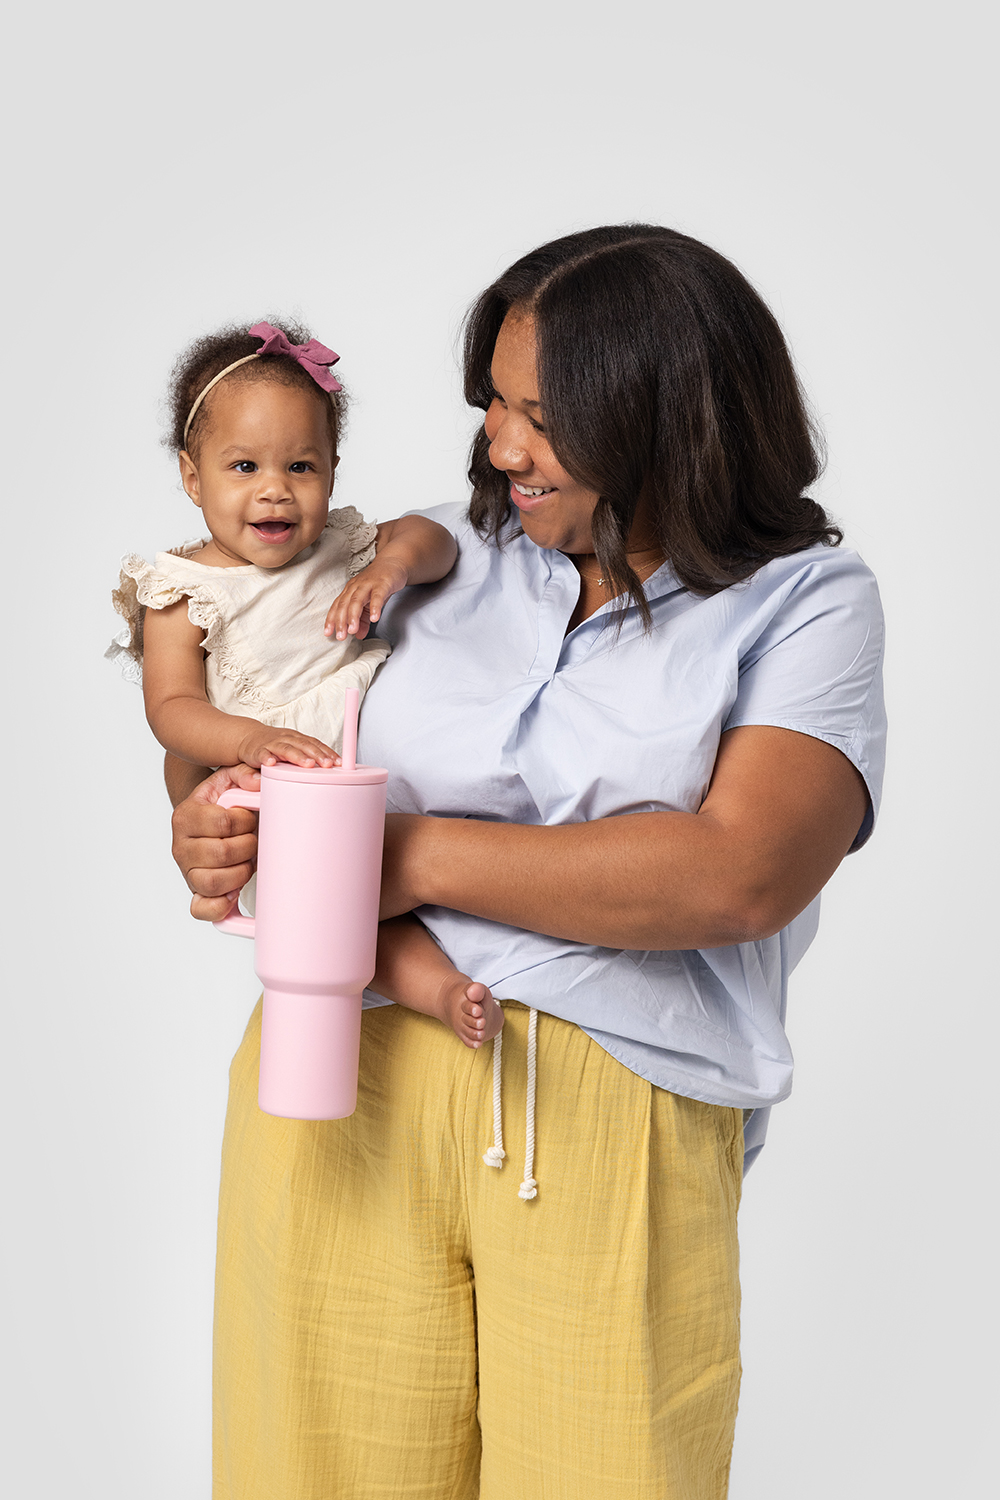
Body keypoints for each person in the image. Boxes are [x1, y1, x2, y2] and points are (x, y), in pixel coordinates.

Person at [169, 226, 886, 1500]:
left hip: (609, 1116)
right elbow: (255, 715)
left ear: (666, 415)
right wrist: (207, 813)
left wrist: (413, 855)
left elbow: (737, 875)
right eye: (494, 404)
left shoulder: (805, 604)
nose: (500, 446)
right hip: (336, 1077)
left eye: (541, 415)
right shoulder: (422, 553)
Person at [110, 319, 503, 1047]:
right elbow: (171, 710)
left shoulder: (340, 547)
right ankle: (436, 991)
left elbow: (437, 540)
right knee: (329, 919)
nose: (275, 494)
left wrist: (393, 568)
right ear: (192, 476)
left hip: (365, 773)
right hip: (279, 788)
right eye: (243, 468)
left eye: (301, 467)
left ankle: (452, 983)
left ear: (332, 469)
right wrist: (251, 740)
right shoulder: (182, 589)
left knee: (393, 888)